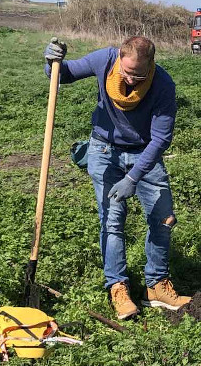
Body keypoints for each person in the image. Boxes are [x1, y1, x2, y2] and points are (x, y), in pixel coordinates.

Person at [43, 36, 190, 320]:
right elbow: (64, 74)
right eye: (127, 72)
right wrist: (52, 62)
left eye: (139, 74)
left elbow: (161, 138)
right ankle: (118, 286)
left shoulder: (162, 84)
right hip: (103, 149)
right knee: (112, 220)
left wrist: (134, 177)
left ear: (151, 65)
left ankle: (157, 285)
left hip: (144, 152)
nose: (132, 79)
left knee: (163, 218)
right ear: (119, 59)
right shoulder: (104, 60)